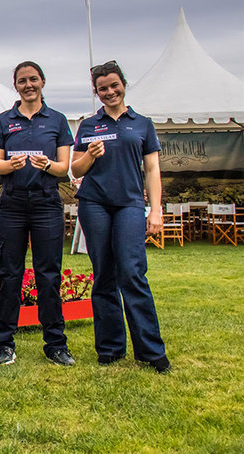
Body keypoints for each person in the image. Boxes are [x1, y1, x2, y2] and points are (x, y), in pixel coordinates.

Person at [71, 60, 170, 373]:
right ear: (96, 93)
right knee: (104, 275)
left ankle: (151, 351)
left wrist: (155, 210)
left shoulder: (142, 123)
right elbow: (75, 169)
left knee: (132, 272)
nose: (109, 92)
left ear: (123, 84)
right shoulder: (88, 125)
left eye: (114, 85)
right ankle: (110, 350)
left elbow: (152, 169)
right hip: (94, 204)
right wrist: (89, 155)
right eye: (103, 88)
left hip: (129, 205)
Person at [0, 61, 76, 367]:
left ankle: (55, 344)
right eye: (22, 80)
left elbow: (65, 167)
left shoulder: (57, 120)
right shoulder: (3, 121)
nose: (28, 85)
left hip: (46, 203)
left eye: (33, 79)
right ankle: (3, 343)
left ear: (42, 82)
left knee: (48, 275)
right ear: (16, 85)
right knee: (9, 274)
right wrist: (8, 166)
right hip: (12, 204)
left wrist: (47, 165)